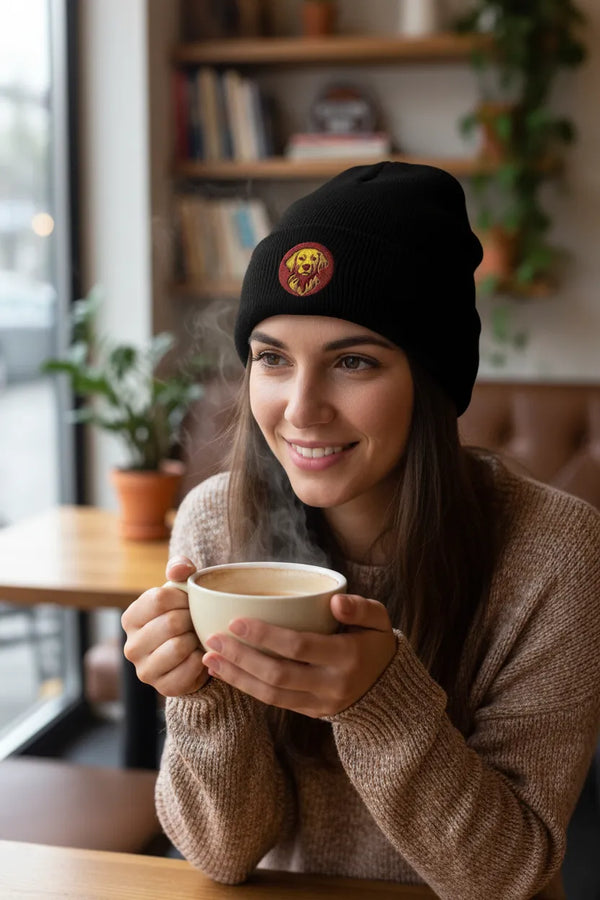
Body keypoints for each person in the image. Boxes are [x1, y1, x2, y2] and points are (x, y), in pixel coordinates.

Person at [121, 162, 600, 899]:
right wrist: (203, 695)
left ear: (430, 382)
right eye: (272, 360)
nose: (301, 408)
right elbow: (222, 854)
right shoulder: (215, 523)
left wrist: (380, 701)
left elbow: (509, 875)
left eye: (352, 362)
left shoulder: (556, 554)